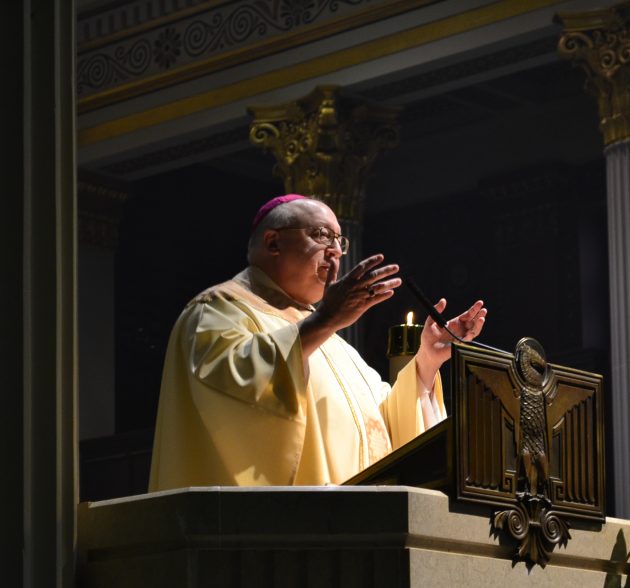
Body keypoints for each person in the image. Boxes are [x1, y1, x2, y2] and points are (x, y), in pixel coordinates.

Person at [148, 194, 487, 490]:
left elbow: (383, 426)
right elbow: (233, 392)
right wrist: (325, 319)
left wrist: (426, 363)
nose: (336, 251)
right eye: (322, 235)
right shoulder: (218, 311)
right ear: (272, 242)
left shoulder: (336, 345)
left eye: (341, 241)